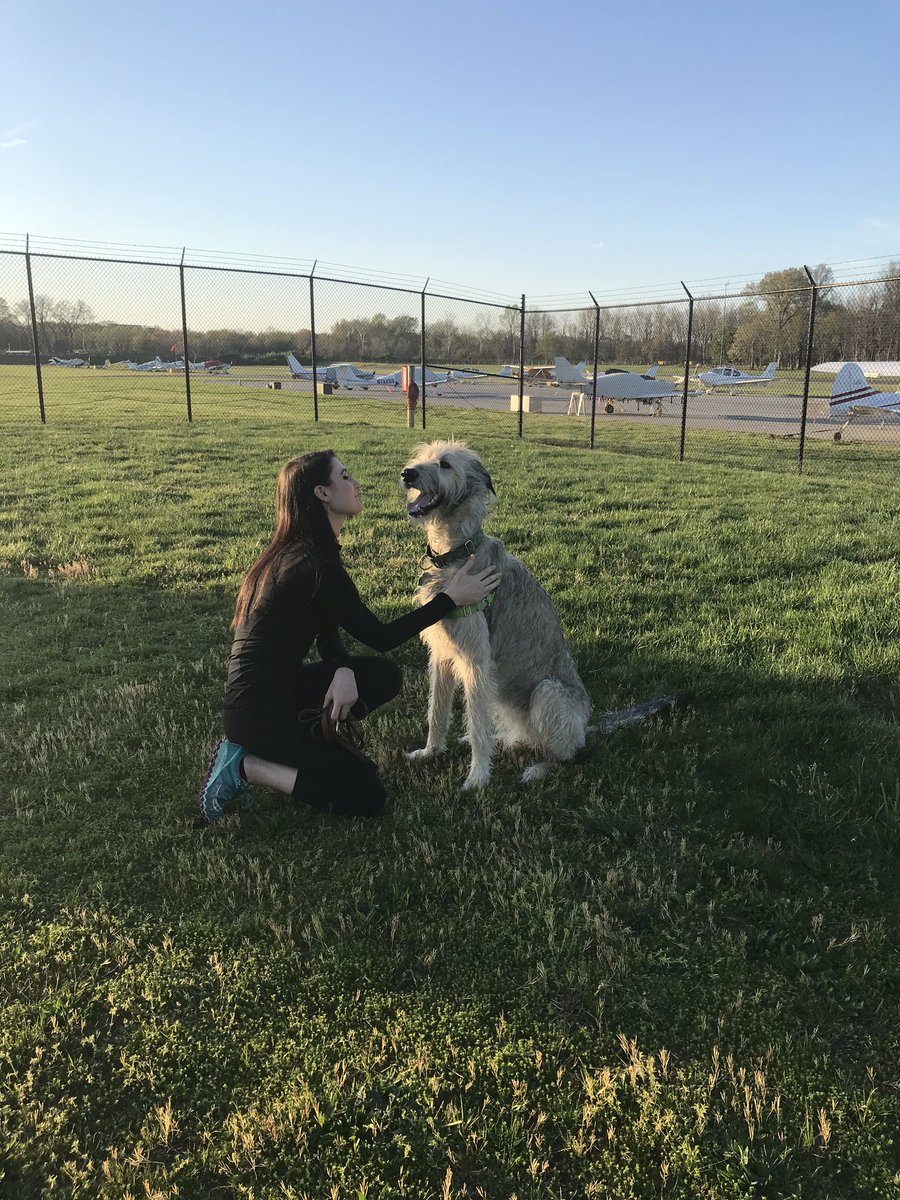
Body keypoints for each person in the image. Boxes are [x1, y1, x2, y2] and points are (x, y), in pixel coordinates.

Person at [197, 450, 500, 823]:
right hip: (259, 715)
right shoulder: (316, 565)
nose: (355, 483)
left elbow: (325, 626)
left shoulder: (305, 549)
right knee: (366, 796)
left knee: (383, 676)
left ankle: (304, 744)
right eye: (345, 476)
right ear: (323, 494)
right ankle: (247, 767)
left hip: (273, 692)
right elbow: (381, 636)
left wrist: (340, 667)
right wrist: (451, 598)